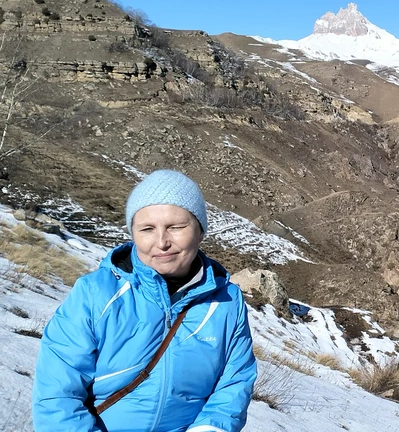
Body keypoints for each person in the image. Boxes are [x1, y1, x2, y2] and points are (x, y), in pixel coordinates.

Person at [33, 169, 258, 431]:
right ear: (133, 234)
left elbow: (233, 385)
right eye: (147, 229)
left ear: (200, 232)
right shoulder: (95, 294)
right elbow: (58, 393)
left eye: (176, 227)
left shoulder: (227, 303)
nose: (162, 242)